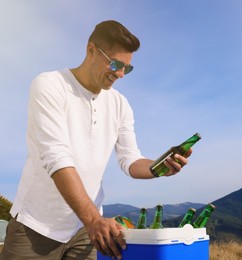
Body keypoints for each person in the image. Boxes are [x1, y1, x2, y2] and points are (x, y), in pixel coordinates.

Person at [0, 20, 191, 260]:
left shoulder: (120, 104)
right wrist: (93, 220)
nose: (120, 74)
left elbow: (130, 159)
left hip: (85, 232)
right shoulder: (50, 85)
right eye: (115, 63)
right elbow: (56, 157)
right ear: (91, 50)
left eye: (127, 68)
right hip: (36, 227)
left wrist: (159, 167)